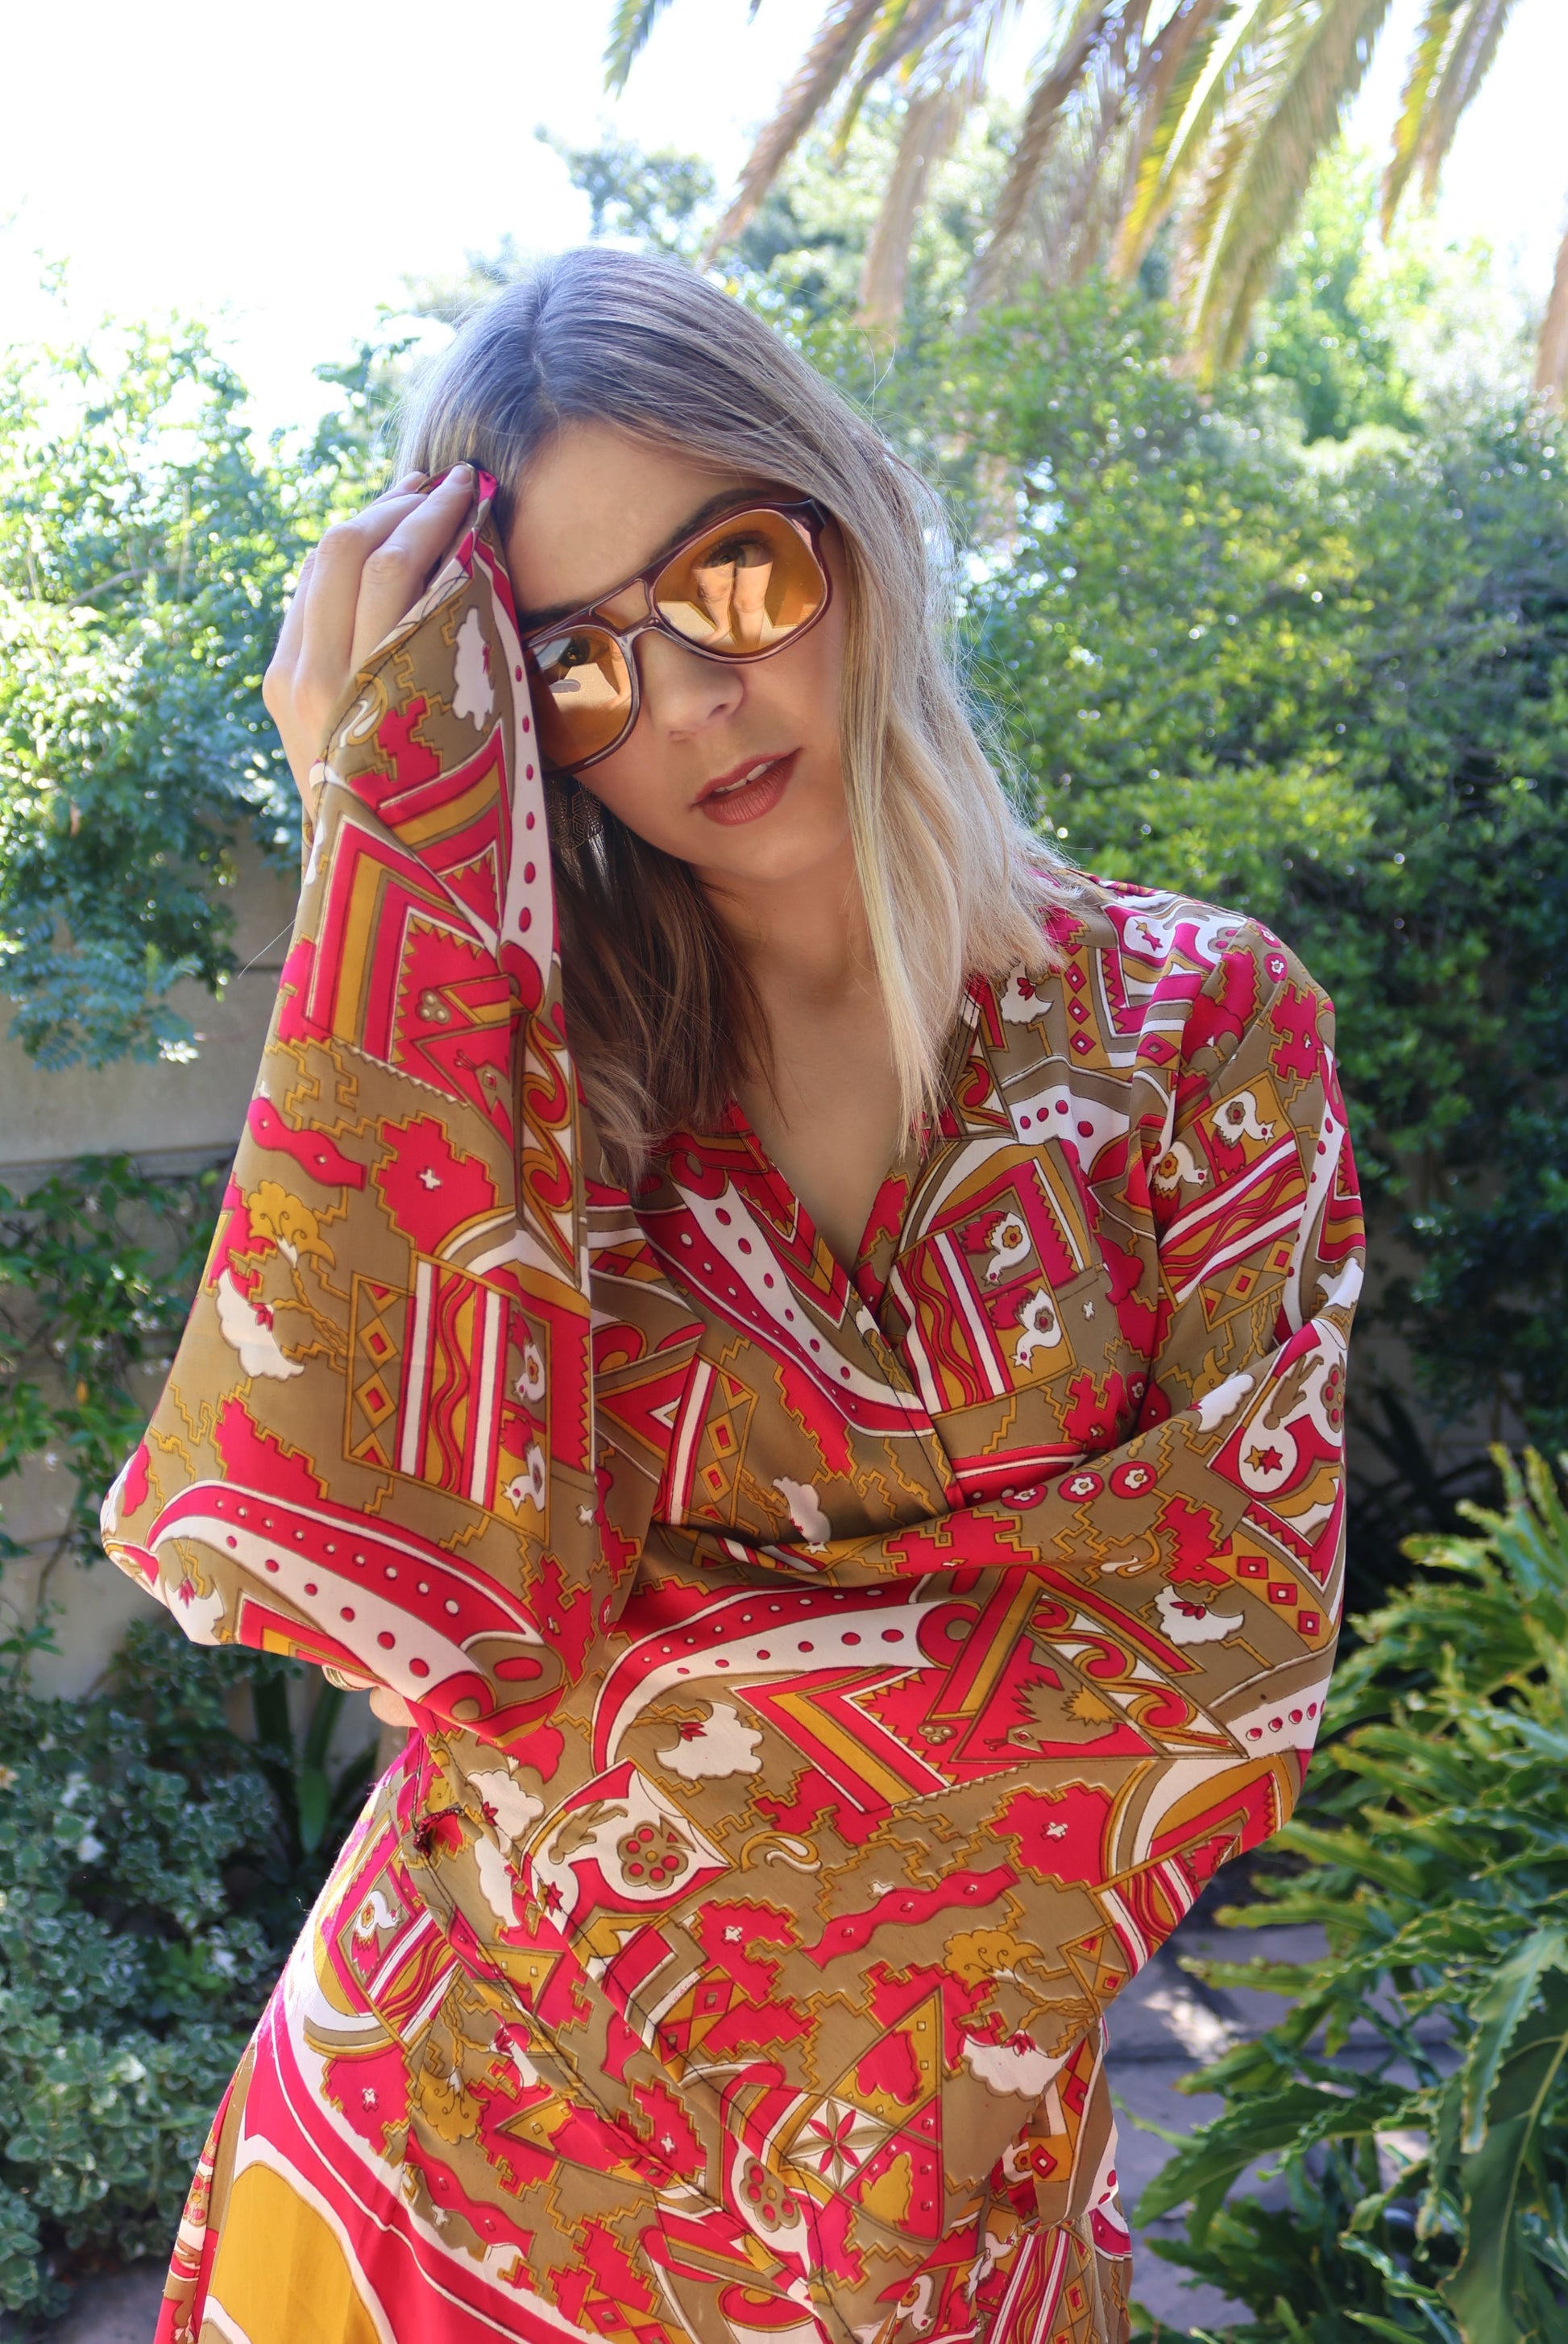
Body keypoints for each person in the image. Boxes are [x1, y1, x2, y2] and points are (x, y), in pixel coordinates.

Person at [102, 246, 1363, 2344]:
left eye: (734, 578)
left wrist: (642, 1701)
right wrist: (377, 846)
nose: (685, 696)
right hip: (443, 2160)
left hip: (942, 2201)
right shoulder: (528, 1070)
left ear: (852, 515)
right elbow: (391, 1575)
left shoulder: (1195, 1033)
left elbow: (1215, 1651)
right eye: (575, 666)